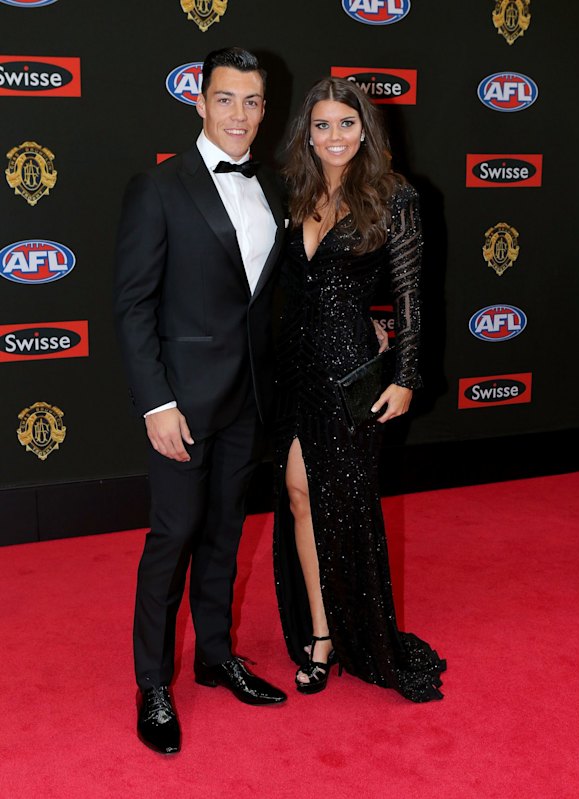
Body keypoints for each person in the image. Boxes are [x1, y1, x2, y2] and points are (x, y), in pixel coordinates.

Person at [113, 47, 288, 756]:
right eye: (225, 99)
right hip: (181, 403)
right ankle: (153, 682)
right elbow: (131, 307)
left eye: (252, 101)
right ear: (198, 100)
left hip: (247, 398)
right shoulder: (157, 188)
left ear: (264, 108)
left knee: (224, 534)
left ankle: (215, 655)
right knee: (173, 537)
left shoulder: (275, 186)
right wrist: (156, 404)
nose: (239, 115)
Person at [272, 77, 446, 701]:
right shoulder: (295, 191)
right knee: (297, 494)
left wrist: (405, 375)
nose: (335, 136)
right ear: (307, 134)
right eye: (322, 125)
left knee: (344, 506)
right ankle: (322, 633)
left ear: (366, 130)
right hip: (294, 369)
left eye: (347, 123)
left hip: (350, 375)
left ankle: (361, 633)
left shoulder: (395, 198)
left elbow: (410, 296)